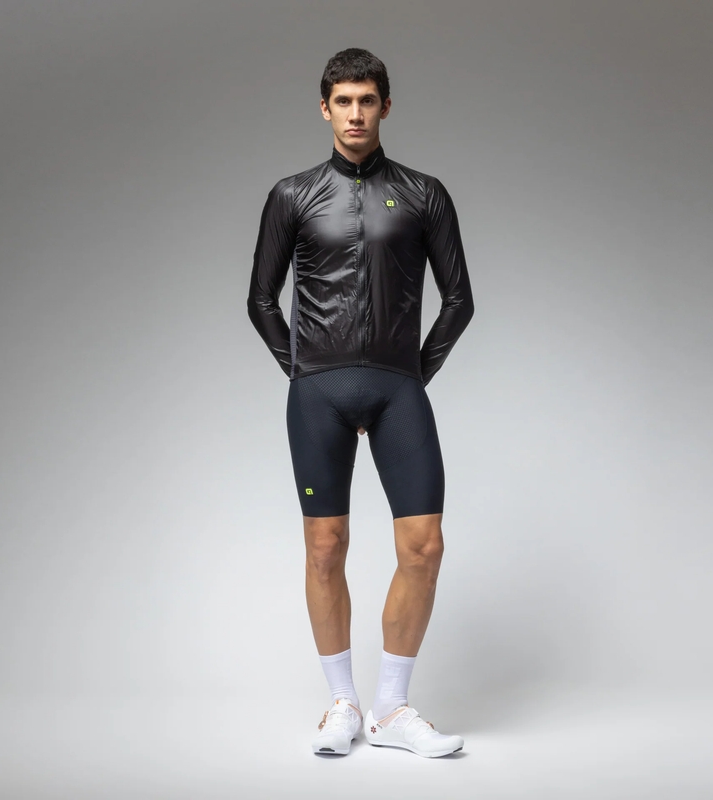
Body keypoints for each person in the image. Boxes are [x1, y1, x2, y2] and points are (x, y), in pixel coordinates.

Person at [247, 48, 474, 758]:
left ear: (385, 107)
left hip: (398, 388)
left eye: (366, 100)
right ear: (325, 108)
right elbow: (260, 301)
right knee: (325, 547)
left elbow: (460, 301)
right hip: (317, 392)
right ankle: (342, 704)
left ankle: (391, 709)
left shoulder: (424, 193)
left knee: (425, 546)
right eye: (342, 101)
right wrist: (303, 373)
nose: (355, 114)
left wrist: (412, 376)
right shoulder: (292, 195)